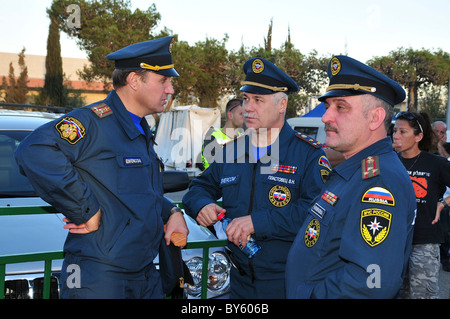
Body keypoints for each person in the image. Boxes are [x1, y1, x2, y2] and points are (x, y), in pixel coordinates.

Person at [15, 36, 188, 299]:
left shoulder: (140, 126)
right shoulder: (94, 121)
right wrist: (85, 208)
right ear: (133, 80)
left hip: (143, 273)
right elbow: (33, 151)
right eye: (163, 80)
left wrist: (172, 210)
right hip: (100, 276)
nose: (171, 90)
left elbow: (134, 190)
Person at [183, 57, 331, 298]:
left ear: (282, 105)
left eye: (258, 100)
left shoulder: (308, 154)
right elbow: (199, 187)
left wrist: (258, 222)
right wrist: (203, 204)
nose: (247, 108)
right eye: (246, 99)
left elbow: (318, 213)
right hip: (238, 280)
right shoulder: (233, 151)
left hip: (287, 281)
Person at [285, 55, 417, 299]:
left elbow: (372, 281)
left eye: (341, 107)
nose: (326, 117)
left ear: (375, 118)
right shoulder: (355, 169)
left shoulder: (378, 181)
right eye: (327, 107)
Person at [393, 111, 450, 298]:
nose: (396, 136)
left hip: (424, 242)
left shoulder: (436, 163)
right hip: (393, 242)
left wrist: (443, 202)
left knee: (422, 295)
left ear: (418, 136)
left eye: (403, 131)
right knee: (396, 293)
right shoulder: (389, 162)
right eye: (395, 130)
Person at [201, 98, 244, 170]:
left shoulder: (243, 137)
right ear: (230, 115)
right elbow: (211, 168)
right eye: (241, 114)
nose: (245, 117)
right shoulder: (213, 137)